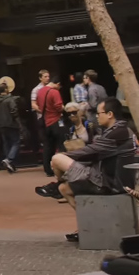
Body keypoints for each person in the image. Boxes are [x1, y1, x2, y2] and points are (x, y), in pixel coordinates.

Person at [37, 98, 136, 242]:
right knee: (65, 189)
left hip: (110, 183)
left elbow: (91, 151)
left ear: (110, 114)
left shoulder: (118, 133)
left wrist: (65, 156)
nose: (96, 116)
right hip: (105, 177)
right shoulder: (119, 129)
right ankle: (86, 225)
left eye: (99, 113)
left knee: (57, 159)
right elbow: (95, 154)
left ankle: (56, 183)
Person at [36, 76, 66, 176]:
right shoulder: (54, 92)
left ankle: (48, 169)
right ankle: (61, 168)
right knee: (61, 145)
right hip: (56, 121)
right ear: (57, 83)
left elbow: (39, 106)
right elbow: (58, 107)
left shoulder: (40, 91)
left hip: (46, 122)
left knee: (48, 146)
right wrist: (63, 108)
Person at [0, 82, 21, 173]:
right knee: (16, 142)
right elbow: (14, 112)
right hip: (11, 124)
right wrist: (19, 124)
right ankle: (9, 159)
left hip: (1, 126)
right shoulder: (10, 99)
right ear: (6, 90)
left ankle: (10, 164)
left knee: (6, 144)